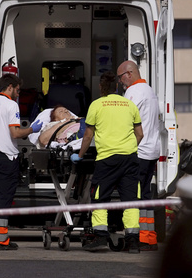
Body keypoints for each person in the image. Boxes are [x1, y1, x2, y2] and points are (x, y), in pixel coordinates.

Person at [71, 71, 143, 253]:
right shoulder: (129, 105)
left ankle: (101, 236)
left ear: (101, 88)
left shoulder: (96, 105)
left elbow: (88, 135)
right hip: (129, 159)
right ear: (117, 87)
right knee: (131, 200)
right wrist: (128, 148)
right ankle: (133, 241)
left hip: (107, 160)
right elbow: (140, 134)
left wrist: (80, 155)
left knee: (100, 197)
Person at [0, 74, 42, 250]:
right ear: (11, 87)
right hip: (7, 156)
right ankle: (0, 240)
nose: (18, 94)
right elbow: (15, 133)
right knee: (4, 199)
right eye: (18, 91)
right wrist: (31, 129)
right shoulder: (11, 105)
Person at [118, 60, 161, 251]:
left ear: (129, 73)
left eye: (121, 77)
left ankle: (137, 238)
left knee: (133, 196)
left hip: (139, 151)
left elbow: (124, 120)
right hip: (151, 151)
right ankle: (149, 238)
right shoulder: (149, 90)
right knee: (145, 196)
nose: (120, 82)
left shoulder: (133, 92)